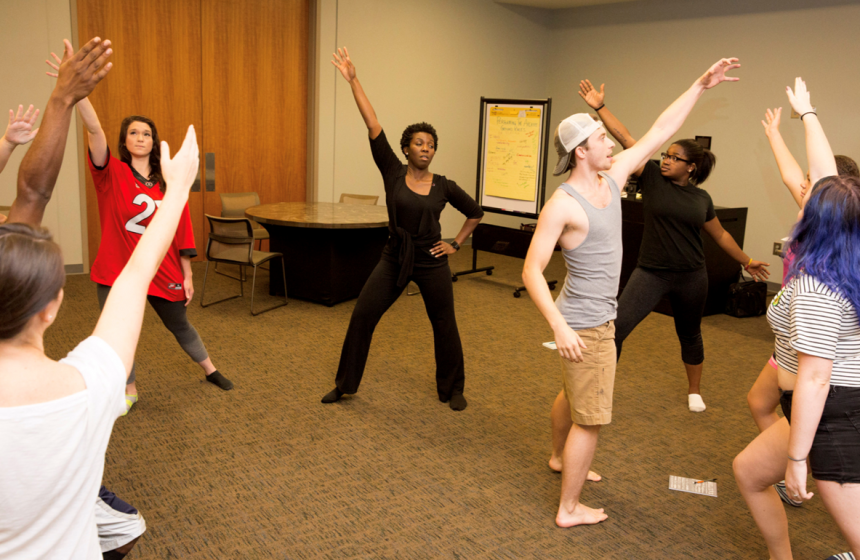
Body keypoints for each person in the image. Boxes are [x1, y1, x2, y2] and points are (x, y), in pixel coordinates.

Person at [0, 36, 199, 559]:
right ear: (53, 305)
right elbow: (134, 280)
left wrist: (62, 99)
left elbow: (29, 199)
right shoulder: (88, 383)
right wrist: (179, 191)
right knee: (125, 527)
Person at [522, 58, 740, 527]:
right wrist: (559, 326)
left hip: (587, 318)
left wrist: (700, 84)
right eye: (600, 137)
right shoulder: (563, 205)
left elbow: (662, 128)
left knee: (572, 393)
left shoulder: (613, 177)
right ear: (581, 150)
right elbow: (531, 270)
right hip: (587, 323)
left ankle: (558, 458)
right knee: (592, 418)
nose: (610, 140)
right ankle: (569, 508)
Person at [45, 51, 233, 415]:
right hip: (116, 270)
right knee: (119, 335)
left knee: (180, 325)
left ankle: (209, 368)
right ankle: (129, 387)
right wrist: (79, 90)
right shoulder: (110, 172)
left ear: (154, 141)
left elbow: (181, 226)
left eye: (147, 133)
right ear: (124, 140)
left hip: (162, 269)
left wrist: (188, 270)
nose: (141, 137)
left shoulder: (168, 182)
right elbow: (94, 130)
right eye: (133, 132)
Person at [577, 78, 770, 412]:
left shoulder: (701, 198)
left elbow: (721, 234)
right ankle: (602, 385)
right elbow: (627, 139)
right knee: (618, 328)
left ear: (691, 167)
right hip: (651, 272)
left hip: (692, 275)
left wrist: (747, 260)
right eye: (665, 155)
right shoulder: (651, 177)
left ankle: (694, 390)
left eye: (674, 157)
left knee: (690, 333)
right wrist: (599, 107)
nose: (665, 160)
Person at [733, 78, 860, 560]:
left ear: (817, 218)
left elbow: (815, 378)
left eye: (808, 193)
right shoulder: (850, 249)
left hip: (834, 412)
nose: (800, 189)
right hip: (830, 400)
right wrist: (805, 115)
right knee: (747, 471)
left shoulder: (814, 285)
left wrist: (797, 459)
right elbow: (825, 175)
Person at [321, 48, 483, 411]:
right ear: (406, 148)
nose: (426, 148)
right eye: (419, 143)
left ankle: (452, 388)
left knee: (444, 323)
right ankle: (345, 384)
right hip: (394, 257)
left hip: (432, 261)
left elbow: (475, 213)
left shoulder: (444, 185)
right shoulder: (392, 172)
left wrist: (455, 244)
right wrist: (353, 80)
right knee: (363, 315)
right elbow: (373, 122)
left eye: (431, 145)